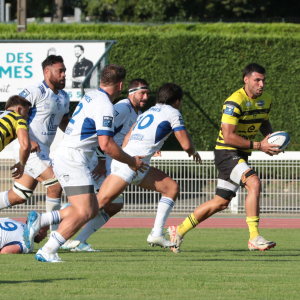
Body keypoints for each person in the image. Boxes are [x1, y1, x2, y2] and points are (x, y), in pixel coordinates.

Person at [24, 64, 148, 263]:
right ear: (121, 85)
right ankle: (48, 249)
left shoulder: (92, 96)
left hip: (73, 156)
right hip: (74, 158)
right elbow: (106, 144)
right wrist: (131, 161)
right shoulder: (106, 105)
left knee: (90, 207)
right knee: (85, 211)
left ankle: (42, 220)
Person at [168, 63, 280, 253]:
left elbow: (264, 121)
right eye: (257, 80)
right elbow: (228, 136)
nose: (261, 84)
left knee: (220, 202)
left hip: (240, 154)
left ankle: (178, 231)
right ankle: (254, 237)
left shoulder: (266, 100)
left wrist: (273, 140)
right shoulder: (234, 101)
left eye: (263, 80)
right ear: (246, 80)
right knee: (254, 182)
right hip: (226, 152)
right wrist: (260, 145)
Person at [93, 82, 201, 249]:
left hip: (135, 164)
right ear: (177, 101)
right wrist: (194, 152)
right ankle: (51, 223)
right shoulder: (173, 112)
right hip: (130, 164)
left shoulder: (149, 111)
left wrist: (129, 156)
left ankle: (156, 233)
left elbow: (129, 136)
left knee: (171, 188)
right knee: (96, 205)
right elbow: (186, 145)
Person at [63, 78, 151, 252]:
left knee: (112, 205)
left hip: (113, 162)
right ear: (131, 92)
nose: (146, 97)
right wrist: (102, 160)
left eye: (147, 93)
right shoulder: (122, 108)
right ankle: (53, 226)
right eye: (142, 93)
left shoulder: (137, 113)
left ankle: (79, 240)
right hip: (102, 161)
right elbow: (101, 133)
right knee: (94, 203)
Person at [0, 55, 70, 235]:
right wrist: (28, 140)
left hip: (43, 151)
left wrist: (75, 135)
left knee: (19, 195)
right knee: (55, 184)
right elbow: (14, 111)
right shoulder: (35, 91)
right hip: (27, 148)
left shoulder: (64, 96)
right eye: (59, 71)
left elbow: (64, 122)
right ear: (47, 72)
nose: (64, 74)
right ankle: (56, 235)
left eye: (64, 71)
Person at [0, 95, 32, 182]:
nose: (28, 116)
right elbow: (25, 146)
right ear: (18, 109)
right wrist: (22, 164)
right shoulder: (18, 118)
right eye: (26, 112)